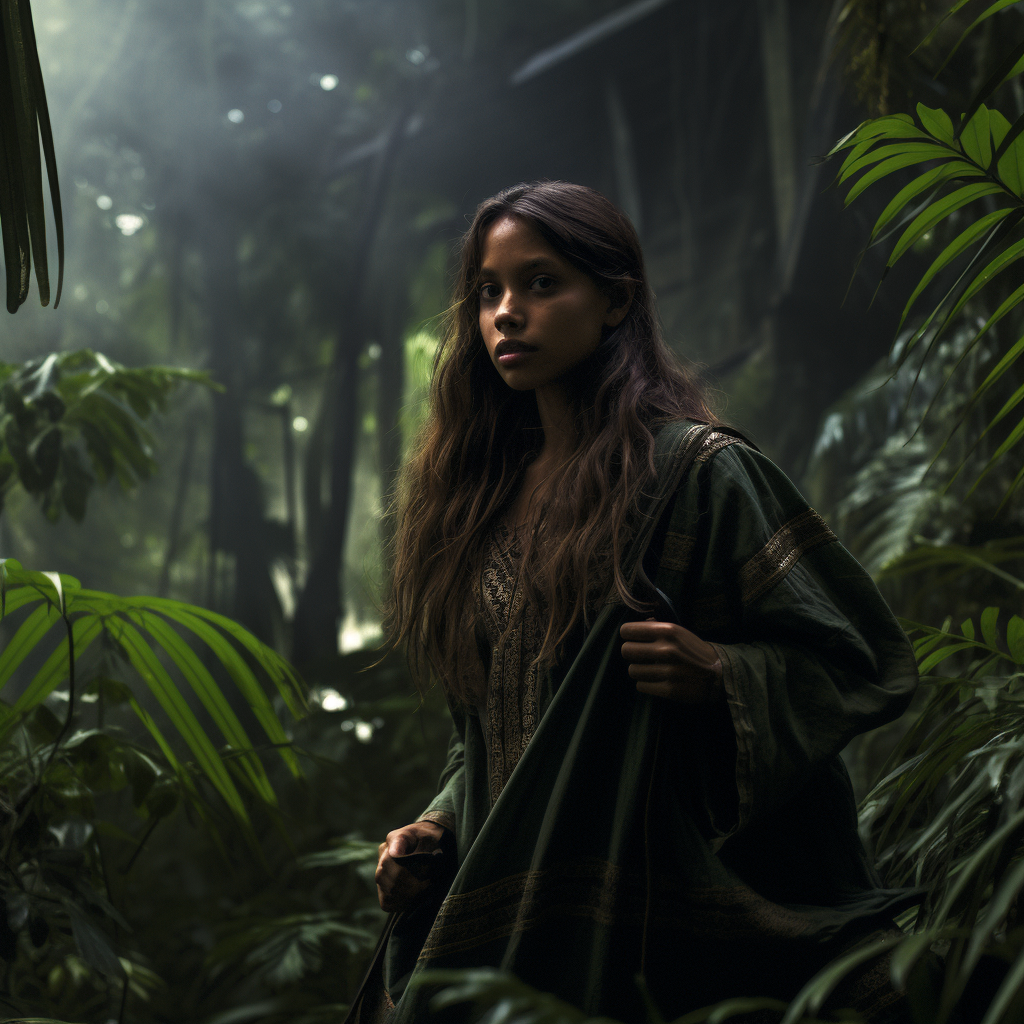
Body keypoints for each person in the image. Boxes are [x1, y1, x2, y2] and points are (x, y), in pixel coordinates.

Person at [351, 182, 920, 1024]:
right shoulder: (474, 504)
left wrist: (723, 673)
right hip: (511, 931)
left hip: (659, 923)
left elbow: (859, 660)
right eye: (489, 291)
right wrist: (432, 827)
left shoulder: (702, 474)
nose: (508, 313)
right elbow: (491, 732)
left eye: (542, 284)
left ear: (615, 300)